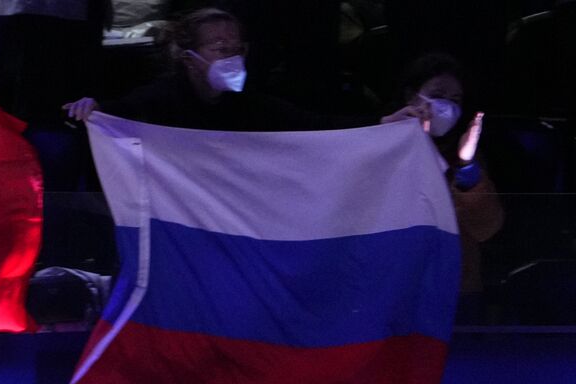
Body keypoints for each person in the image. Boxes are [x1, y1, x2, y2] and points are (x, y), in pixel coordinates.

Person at [62, 7, 420, 131]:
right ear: (189, 57)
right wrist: (92, 111)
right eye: (219, 48)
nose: (231, 56)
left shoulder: (250, 106)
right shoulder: (159, 101)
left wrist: (383, 123)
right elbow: (115, 116)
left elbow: (313, 125)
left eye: (237, 48)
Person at [397, 52, 503, 323]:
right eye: (438, 94)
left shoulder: (466, 157)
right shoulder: (385, 147)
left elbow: (486, 228)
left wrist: (467, 167)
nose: (446, 106)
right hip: (396, 289)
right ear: (412, 97)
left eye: (455, 100)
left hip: (458, 293)